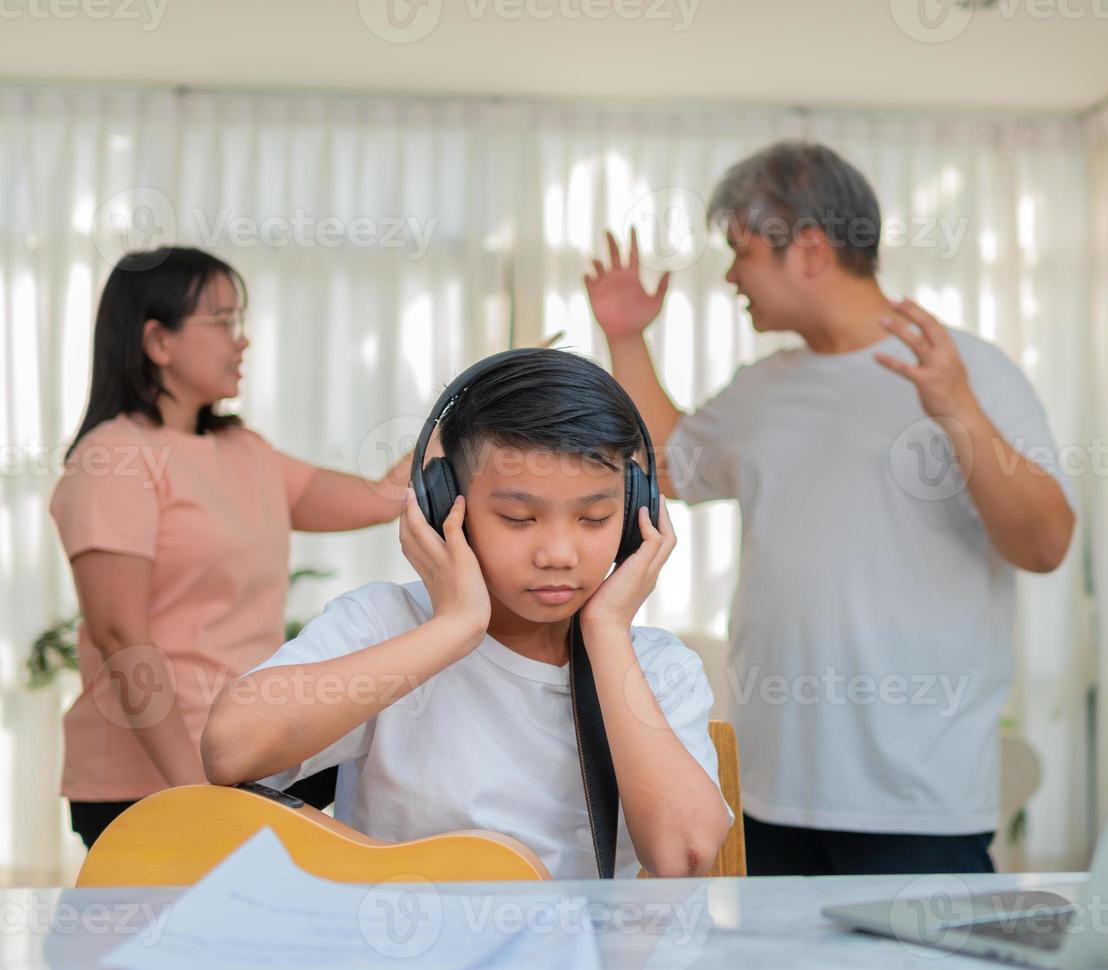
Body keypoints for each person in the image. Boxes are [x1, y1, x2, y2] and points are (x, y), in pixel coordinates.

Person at [584, 141, 1077, 875]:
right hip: (773, 790)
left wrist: (956, 409)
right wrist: (626, 338)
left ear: (809, 249)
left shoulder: (967, 371)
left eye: (742, 252)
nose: (730, 276)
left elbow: (1045, 545)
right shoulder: (763, 388)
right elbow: (670, 462)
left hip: (916, 801)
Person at [200, 348, 732, 878]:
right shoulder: (384, 623)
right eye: (518, 518)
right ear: (444, 504)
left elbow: (683, 860)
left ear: (636, 514)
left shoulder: (658, 668)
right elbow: (230, 749)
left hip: (581, 961)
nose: (558, 554)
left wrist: (607, 632)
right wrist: (455, 627)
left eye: (594, 518)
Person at [50, 246, 412, 848]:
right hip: (153, 783)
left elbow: (381, 497)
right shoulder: (112, 459)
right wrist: (194, 792)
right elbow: (120, 638)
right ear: (157, 342)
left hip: (246, 759)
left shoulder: (246, 452)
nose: (241, 341)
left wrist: (467, 408)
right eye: (222, 322)